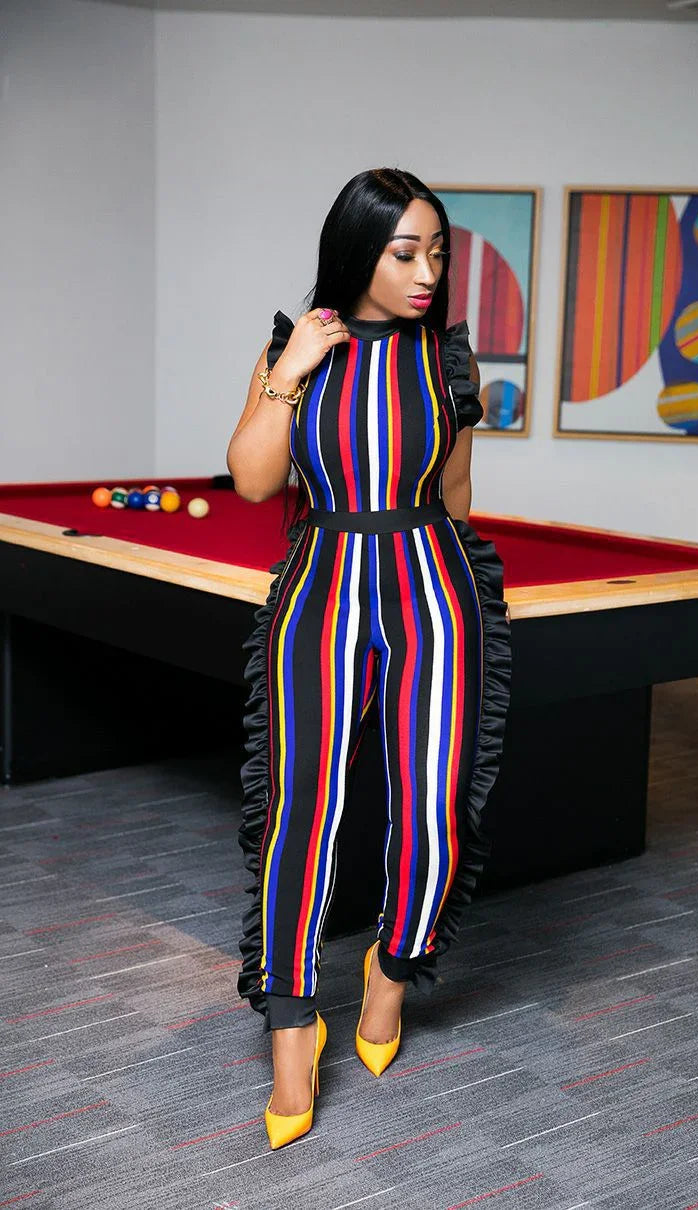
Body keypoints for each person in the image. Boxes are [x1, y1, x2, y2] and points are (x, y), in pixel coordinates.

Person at [226, 167, 512, 1149]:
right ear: (358, 252)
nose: (427, 272)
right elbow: (253, 479)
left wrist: (464, 595)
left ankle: (391, 969)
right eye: (404, 252)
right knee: (300, 816)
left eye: (437, 252)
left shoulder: (449, 360)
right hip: (319, 591)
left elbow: (457, 491)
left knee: (436, 808)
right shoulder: (294, 347)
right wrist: (292, 366)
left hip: (437, 591)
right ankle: (292, 1025)